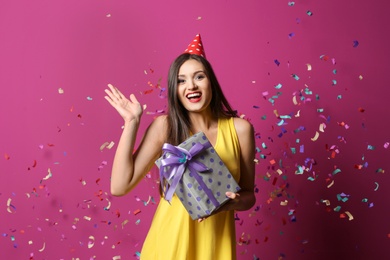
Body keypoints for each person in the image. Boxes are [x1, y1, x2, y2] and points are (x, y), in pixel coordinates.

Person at [104, 34, 256, 260]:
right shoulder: (165, 127)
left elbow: (248, 195)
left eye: (199, 77)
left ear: (210, 82)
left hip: (215, 249)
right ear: (175, 89)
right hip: (168, 248)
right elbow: (119, 186)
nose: (191, 85)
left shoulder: (241, 130)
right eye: (182, 80)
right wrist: (131, 123)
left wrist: (230, 203)